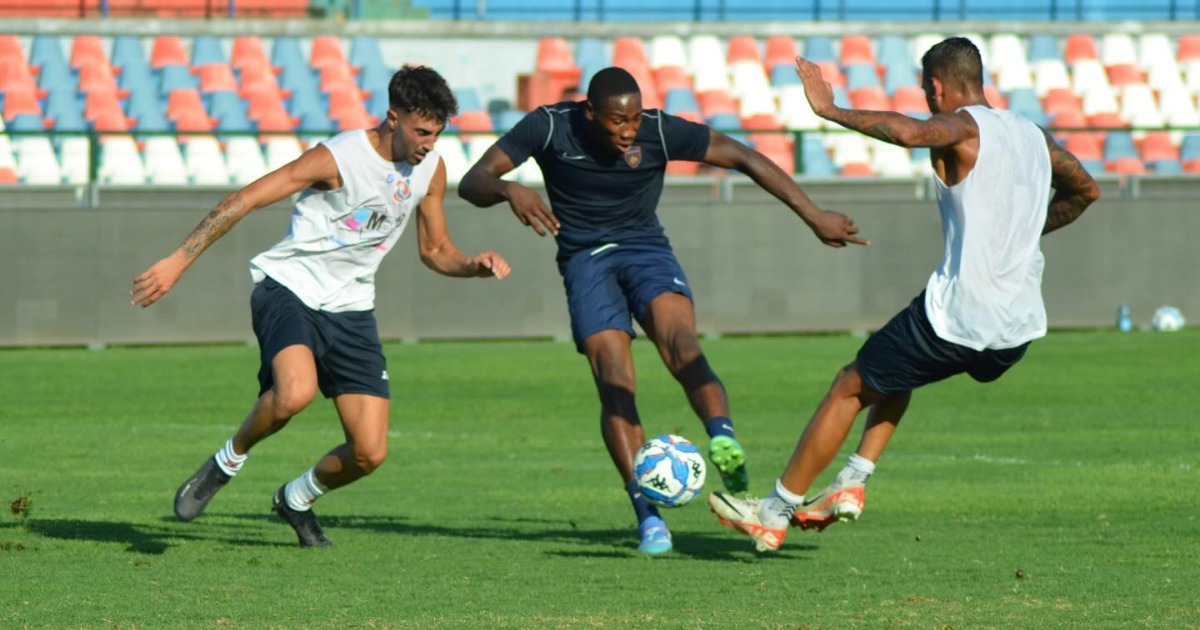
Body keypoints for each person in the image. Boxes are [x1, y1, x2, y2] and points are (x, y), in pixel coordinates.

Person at [710, 38, 1101, 551]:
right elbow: (1087, 190)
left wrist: (830, 109)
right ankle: (852, 480)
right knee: (898, 359)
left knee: (849, 384)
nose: (925, 98)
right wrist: (1022, 233)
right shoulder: (1035, 137)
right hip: (1018, 329)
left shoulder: (960, 127)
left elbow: (911, 132)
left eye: (925, 89)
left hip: (963, 317)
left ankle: (774, 511)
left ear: (936, 86)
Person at [458, 66, 866, 554]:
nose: (630, 130)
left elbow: (742, 155)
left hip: (646, 249)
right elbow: (473, 180)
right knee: (614, 377)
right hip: (586, 261)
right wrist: (509, 190)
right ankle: (647, 516)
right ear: (590, 114)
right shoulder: (548, 125)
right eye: (617, 121)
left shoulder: (658, 129)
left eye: (634, 119)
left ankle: (722, 438)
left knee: (681, 344)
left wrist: (814, 215)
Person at [131, 66, 511, 547]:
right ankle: (226, 461)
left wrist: (472, 265)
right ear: (393, 118)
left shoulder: (431, 170)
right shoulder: (337, 157)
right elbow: (245, 200)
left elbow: (435, 250)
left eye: (437, 133)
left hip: (351, 309)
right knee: (294, 393)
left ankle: (296, 498)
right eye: (421, 131)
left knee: (370, 452)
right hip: (289, 288)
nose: (430, 143)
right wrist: (178, 261)